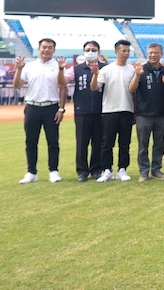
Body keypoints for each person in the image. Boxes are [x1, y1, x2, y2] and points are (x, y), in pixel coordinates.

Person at [15, 38, 67, 184]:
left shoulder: (58, 66)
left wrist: (61, 109)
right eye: (44, 47)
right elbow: (17, 85)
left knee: (53, 141)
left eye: (50, 47)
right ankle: (31, 172)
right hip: (32, 107)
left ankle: (53, 171)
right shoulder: (29, 66)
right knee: (31, 141)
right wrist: (19, 69)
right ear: (39, 48)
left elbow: (63, 87)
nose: (46, 50)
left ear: (54, 50)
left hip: (51, 107)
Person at [91, 39, 136, 183]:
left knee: (125, 142)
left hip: (127, 109)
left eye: (128, 51)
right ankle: (107, 170)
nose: (126, 53)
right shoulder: (106, 70)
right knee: (107, 143)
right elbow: (94, 87)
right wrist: (95, 74)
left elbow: (134, 91)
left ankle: (122, 169)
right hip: (109, 110)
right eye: (123, 50)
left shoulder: (132, 70)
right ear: (116, 51)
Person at [64, 40, 106, 181]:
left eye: (93, 50)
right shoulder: (76, 69)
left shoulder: (106, 68)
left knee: (98, 142)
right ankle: (82, 171)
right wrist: (60, 70)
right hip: (82, 111)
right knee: (82, 142)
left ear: (99, 52)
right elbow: (62, 82)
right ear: (83, 52)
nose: (90, 52)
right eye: (87, 50)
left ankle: (96, 169)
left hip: (101, 111)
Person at [130, 43, 164, 181]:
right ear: (147, 54)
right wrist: (137, 75)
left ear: (161, 54)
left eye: (156, 52)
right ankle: (143, 171)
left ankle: (156, 170)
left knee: (159, 144)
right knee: (143, 145)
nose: (153, 55)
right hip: (143, 114)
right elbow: (132, 88)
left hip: (161, 114)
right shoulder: (141, 70)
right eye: (151, 53)